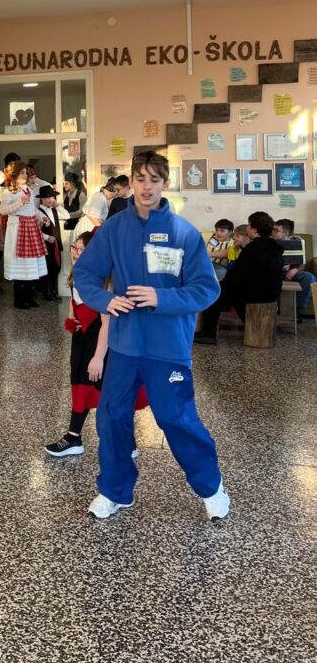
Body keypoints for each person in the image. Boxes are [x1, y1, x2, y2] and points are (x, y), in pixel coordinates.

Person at [73, 151, 229, 521]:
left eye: (154, 180)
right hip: (124, 345)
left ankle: (212, 487)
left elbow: (207, 289)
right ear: (131, 182)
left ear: (165, 183)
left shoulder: (183, 233)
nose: (147, 187)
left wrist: (162, 298)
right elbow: (86, 273)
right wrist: (105, 300)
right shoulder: (114, 229)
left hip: (168, 346)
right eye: (140, 179)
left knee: (176, 418)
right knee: (112, 417)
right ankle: (115, 491)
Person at [45, 230, 149, 457]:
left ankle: (127, 441)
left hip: (104, 345)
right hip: (83, 342)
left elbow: (107, 324)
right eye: (74, 248)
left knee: (112, 393)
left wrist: (98, 357)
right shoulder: (79, 274)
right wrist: (72, 317)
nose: (75, 253)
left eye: (81, 249)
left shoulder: (102, 283)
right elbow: (75, 300)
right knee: (81, 387)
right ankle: (73, 436)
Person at [194, 211, 284, 345]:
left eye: (249, 225)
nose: (247, 228)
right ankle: (252, 326)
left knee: (214, 293)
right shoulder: (274, 247)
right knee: (232, 294)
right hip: (271, 292)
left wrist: (221, 285)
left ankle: (208, 333)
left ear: (254, 229)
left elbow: (236, 275)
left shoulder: (253, 248)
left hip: (257, 293)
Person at [0, 161, 48, 310]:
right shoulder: (8, 191)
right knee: (20, 263)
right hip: (18, 228)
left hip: (31, 226)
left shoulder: (28, 189)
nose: (25, 175)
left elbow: (32, 208)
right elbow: (3, 210)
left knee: (31, 264)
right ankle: (19, 299)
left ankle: (29, 296)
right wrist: (20, 202)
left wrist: (41, 217)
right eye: (22, 173)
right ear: (14, 174)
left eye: (26, 173)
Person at [273, 219, 316, 318]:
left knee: (309, 277)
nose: (273, 232)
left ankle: (295, 309)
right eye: (273, 230)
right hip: (274, 273)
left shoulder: (297, 242)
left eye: (276, 230)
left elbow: (302, 265)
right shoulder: (271, 242)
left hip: (292, 274)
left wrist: (295, 270)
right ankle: (274, 308)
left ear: (286, 233)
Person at [35, 185, 66, 301]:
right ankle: (47, 293)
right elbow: (36, 230)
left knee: (56, 268)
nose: (50, 200)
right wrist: (47, 237)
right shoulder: (38, 212)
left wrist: (58, 206)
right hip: (45, 244)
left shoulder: (54, 209)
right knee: (47, 269)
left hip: (56, 244)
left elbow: (67, 215)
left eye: (52, 197)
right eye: (47, 197)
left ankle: (53, 291)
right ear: (41, 199)